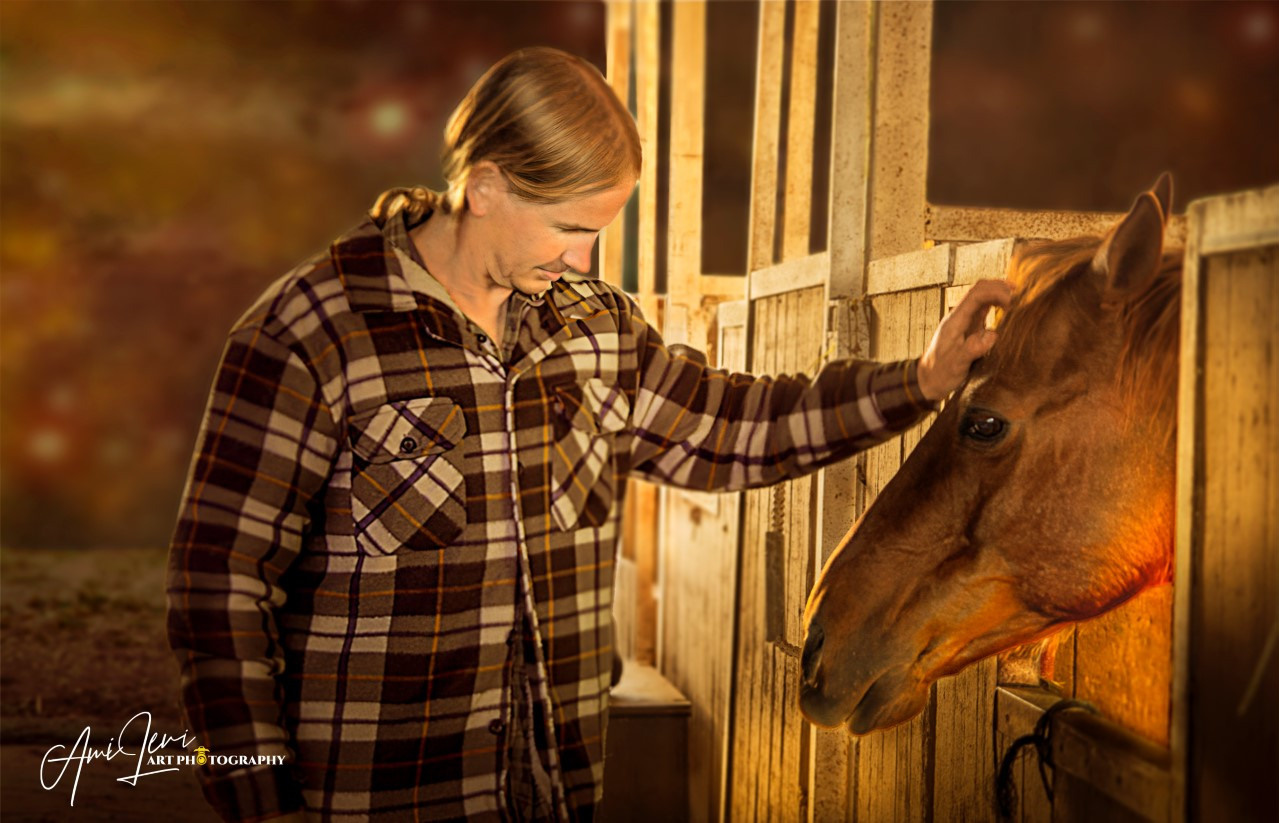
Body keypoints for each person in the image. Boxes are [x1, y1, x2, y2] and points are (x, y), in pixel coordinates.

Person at [166, 46, 1011, 823]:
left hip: (553, 788)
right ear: (487, 186)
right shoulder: (309, 331)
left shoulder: (597, 329)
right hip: (369, 796)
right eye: (570, 226)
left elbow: (734, 424)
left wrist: (923, 380)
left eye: (597, 230)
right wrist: (258, 798)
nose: (583, 257)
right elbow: (220, 581)